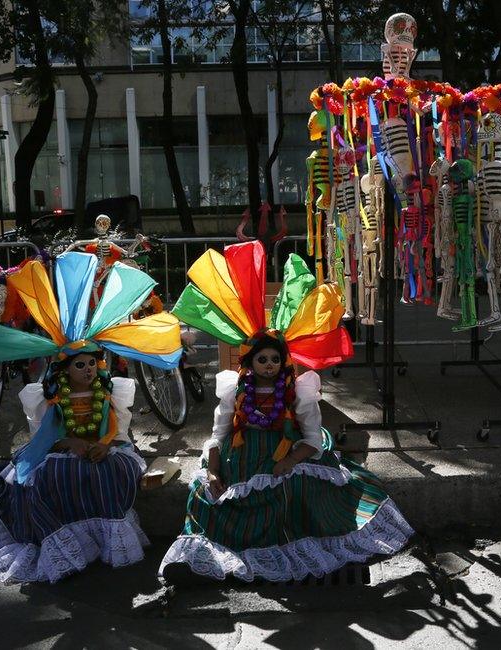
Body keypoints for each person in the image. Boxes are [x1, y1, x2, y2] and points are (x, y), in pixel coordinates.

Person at [160, 241, 412, 582]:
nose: (269, 365)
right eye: (262, 359)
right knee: (207, 497)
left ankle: (290, 548)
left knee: (296, 490)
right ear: (250, 363)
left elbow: (312, 440)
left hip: (286, 454)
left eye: (275, 359)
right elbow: (219, 435)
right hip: (241, 458)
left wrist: (291, 461)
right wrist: (215, 471)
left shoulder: (298, 393)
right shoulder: (235, 390)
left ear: (283, 362)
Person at [0, 251, 183, 583]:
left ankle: (103, 541)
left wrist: (104, 444)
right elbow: (50, 432)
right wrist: (72, 443)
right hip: (64, 448)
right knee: (50, 478)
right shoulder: (58, 397)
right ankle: (70, 543)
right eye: (80, 365)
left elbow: (113, 426)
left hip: (104, 447)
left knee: (115, 470)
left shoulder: (102, 393)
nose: (88, 369)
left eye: (92, 363)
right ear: (66, 368)